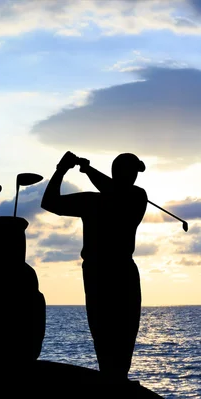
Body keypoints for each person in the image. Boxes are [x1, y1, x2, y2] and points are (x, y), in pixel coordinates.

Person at [41, 151, 148, 382]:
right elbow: (49, 203)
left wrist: (73, 169)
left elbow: (115, 191)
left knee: (123, 333)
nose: (135, 178)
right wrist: (65, 169)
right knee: (106, 334)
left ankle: (117, 379)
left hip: (111, 272)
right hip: (106, 273)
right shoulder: (99, 199)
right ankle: (114, 380)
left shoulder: (135, 197)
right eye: (132, 172)